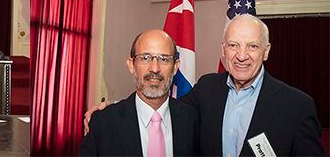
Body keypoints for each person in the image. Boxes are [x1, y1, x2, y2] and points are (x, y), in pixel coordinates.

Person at [84, 14, 325, 156]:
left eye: (252, 46)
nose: (242, 55)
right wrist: (114, 109)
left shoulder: (298, 106)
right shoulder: (207, 89)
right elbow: (159, 103)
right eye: (233, 45)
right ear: (223, 51)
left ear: (266, 51)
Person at [79, 30, 198, 156]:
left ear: (175, 67)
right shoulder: (102, 123)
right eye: (145, 58)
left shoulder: (192, 120)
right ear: (131, 65)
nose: (155, 68)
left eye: (164, 59)